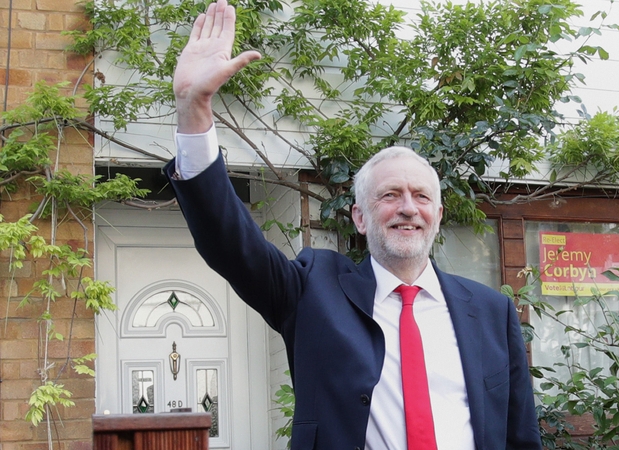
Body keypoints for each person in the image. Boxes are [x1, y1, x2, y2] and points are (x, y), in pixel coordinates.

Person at [165, 1, 543, 448]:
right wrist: (194, 112)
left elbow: (520, 435)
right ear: (360, 218)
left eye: (421, 196)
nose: (408, 208)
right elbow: (232, 245)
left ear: (438, 216)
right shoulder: (312, 291)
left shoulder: (491, 311)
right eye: (389, 195)